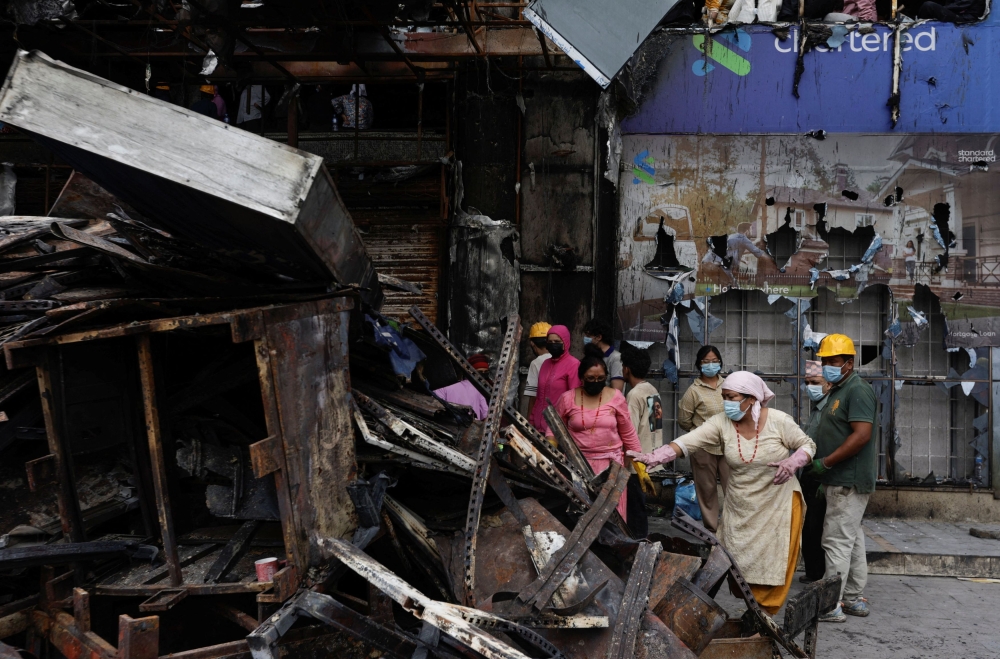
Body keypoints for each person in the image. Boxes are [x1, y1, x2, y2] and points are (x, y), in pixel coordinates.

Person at [628, 372, 816, 614]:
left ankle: (761, 619)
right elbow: (688, 441)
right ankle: (752, 613)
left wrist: (793, 462)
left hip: (777, 505)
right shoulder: (721, 423)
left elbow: (808, 445)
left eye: (731, 397)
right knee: (736, 564)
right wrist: (655, 456)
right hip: (740, 505)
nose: (726, 402)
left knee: (773, 565)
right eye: (724, 396)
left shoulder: (779, 421)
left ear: (751, 399)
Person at [810, 334, 878, 622]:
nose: (827, 366)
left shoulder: (857, 390)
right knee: (852, 539)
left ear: (849, 363)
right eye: (824, 361)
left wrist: (826, 463)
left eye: (833, 361)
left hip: (847, 479)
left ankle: (831, 604)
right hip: (839, 478)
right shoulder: (839, 389)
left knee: (836, 541)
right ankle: (851, 598)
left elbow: (862, 436)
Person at [546, 344, 642, 523]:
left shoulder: (616, 397)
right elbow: (553, 427)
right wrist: (551, 452)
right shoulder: (567, 398)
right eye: (591, 378)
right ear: (582, 378)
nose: (596, 381)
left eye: (601, 378)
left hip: (611, 466)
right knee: (582, 515)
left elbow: (628, 432)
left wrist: (639, 463)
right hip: (577, 466)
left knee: (612, 517)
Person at [678, 345, 728, 532]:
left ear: (720, 362)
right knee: (706, 491)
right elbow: (684, 421)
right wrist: (699, 434)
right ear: (699, 364)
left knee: (732, 488)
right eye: (706, 362)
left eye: (714, 361)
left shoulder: (728, 385)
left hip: (727, 445)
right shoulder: (693, 391)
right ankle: (713, 531)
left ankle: (732, 528)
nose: (711, 365)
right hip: (703, 449)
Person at [800, 360, 831, 584]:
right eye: (808, 382)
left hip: (823, 473)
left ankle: (820, 574)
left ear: (828, 384)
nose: (810, 387)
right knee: (808, 526)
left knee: (818, 527)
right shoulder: (817, 409)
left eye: (816, 382)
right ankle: (812, 572)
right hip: (810, 473)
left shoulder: (831, 409)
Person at [529, 325, 581, 433]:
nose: (553, 344)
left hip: (559, 429)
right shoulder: (545, 364)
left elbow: (574, 400)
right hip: (539, 429)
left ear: (565, 342)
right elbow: (539, 397)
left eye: (557, 341)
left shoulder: (573, 364)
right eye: (550, 341)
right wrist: (532, 421)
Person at [623, 346, 662, 455]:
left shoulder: (634, 395)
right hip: (654, 457)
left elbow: (630, 431)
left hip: (639, 461)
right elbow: (655, 426)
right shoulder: (653, 390)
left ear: (626, 369)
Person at [583, 318, 624, 391]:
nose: (585, 339)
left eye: (588, 336)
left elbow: (617, 390)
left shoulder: (616, 358)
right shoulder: (591, 355)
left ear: (599, 337)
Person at [522, 322, 552, 419]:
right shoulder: (561, 359)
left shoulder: (536, 363)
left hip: (543, 415)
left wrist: (529, 420)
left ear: (532, 344)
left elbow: (533, 396)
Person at [916, 0, 983, 21]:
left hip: (966, 18)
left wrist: (940, 9)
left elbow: (959, 5)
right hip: (958, 13)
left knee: (929, 6)